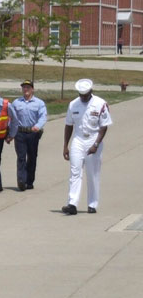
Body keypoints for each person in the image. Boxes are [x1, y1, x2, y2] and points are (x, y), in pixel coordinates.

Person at [62, 79, 112, 215]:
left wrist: (96, 144)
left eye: (86, 95)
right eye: (81, 95)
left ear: (91, 92)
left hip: (93, 138)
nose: (83, 97)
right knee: (75, 172)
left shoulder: (100, 104)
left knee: (92, 173)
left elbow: (104, 126)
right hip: (78, 139)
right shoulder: (73, 104)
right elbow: (68, 125)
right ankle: (72, 203)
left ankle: (92, 204)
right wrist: (65, 146)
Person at [9, 80, 47, 191]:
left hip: (33, 133)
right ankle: (21, 181)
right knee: (21, 157)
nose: (26, 89)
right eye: (24, 87)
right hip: (20, 133)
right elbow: (11, 118)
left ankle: (29, 181)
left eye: (28, 87)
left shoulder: (39, 103)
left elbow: (43, 117)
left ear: (32, 89)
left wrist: (38, 126)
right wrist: (10, 133)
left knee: (32, 157)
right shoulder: (16, 103)